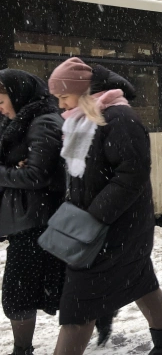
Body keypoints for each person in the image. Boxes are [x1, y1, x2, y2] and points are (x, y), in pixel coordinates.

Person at [47, 57, 162, 354]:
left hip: (115, 228)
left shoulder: (120, 118)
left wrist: (94, 216)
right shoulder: (84, 120)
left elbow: (131, 174)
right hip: (111, 226)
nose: (60, 105)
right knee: (141, 281)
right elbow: (82, 175)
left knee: (78, 304)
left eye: (63, 96)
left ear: (81, 91)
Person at [0, 70, 66, 355]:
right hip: (26, 220)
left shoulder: (43, 122)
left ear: (17, 94)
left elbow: (37, 175)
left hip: (37, 224)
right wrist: (11, 170)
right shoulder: (17, 121)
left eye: (1, 98)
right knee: (21, 294)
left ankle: (21, 350)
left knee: (18, 295)